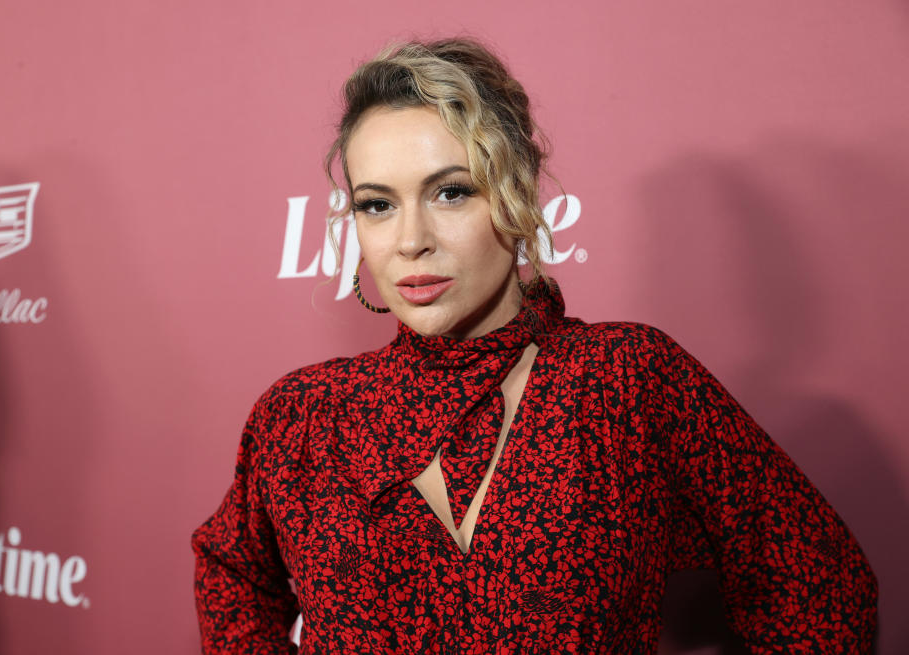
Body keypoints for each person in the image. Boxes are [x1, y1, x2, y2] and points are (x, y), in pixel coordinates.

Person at [192, 38, 877, 654]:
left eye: (451, 192)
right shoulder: (303, 417)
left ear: (516, 192)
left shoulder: (625, 379)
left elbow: (822, 587)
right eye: (378, 204)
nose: (410, 240)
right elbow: (229, 578)